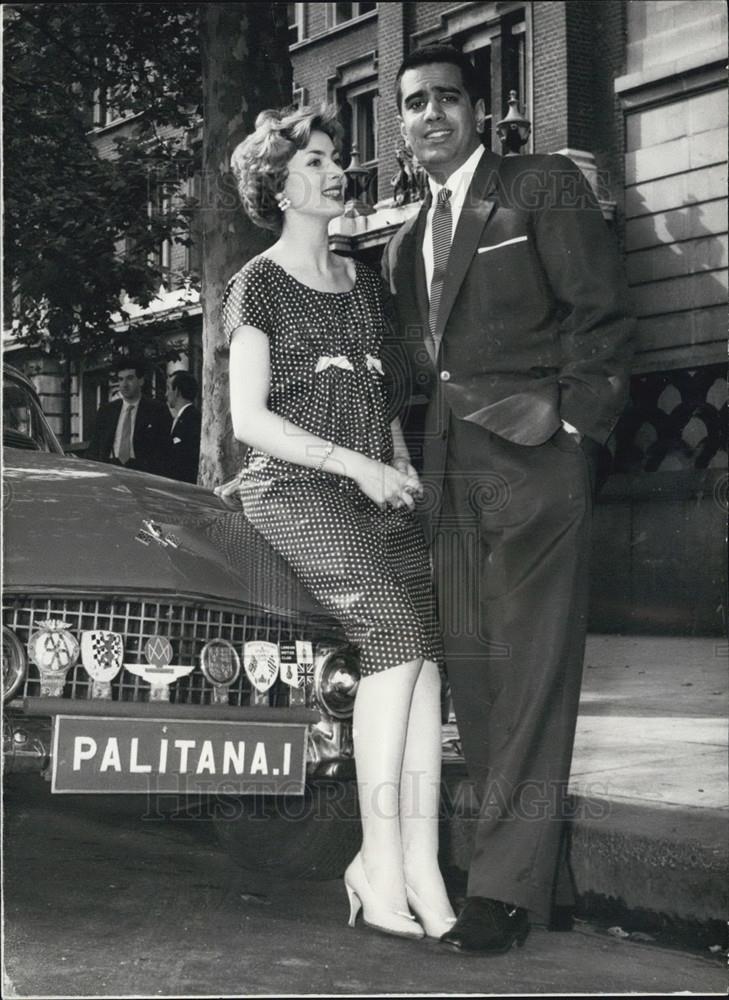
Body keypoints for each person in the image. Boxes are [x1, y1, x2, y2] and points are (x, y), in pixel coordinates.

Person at [382, 44, 635, 954]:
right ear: (401, 126)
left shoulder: (540, 188)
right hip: (449, 481)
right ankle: (527, 874)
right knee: (479, 683)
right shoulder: (407, 241)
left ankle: (499, 891)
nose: (430, 115)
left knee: (530, 673)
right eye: (413, 104)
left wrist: (575, 436)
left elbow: (600, 317)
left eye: (448, 98)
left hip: (534, 468)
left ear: (481, 111)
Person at [222, 104, 455, 941]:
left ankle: (420, 867)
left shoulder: (362, 280)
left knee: (423, 659)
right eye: (314, 162)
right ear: (276, 188)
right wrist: (355, 464)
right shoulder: (256, 284)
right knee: (394, 636)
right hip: (294, 488)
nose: (334, 172)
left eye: (333, 159)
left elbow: (378, 400)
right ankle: (374, 860)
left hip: (374, 490)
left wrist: (392, 465)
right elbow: (249, 419)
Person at [88, 360, 171, 476]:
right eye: (121, 379)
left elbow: (164, 450)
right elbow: (95, 447)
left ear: (141, 381)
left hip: (143, 473)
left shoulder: (157, 411)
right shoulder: (106, 411)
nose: (124, 384)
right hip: (111, 470)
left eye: (130, 378)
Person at [166, 370, 201, 484]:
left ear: (176, 392)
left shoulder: (192, 419)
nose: (166, 394)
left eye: (168, 389)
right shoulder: (182, 418)